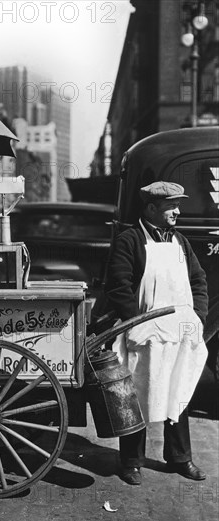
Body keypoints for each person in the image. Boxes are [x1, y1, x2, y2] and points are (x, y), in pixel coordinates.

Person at [105, 181, 208, 486]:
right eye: (170, 207)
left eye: (178, 206)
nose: (177, 212)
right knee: (135, 395)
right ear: (151, 208)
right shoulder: (130, 240)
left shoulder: (180, 243)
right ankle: (131, 461)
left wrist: (198, 316)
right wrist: (137, 322)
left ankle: (180, 458)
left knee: (178, 393)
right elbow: (118, 287)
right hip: (143, 335)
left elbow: (198, 280)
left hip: (178, 334)